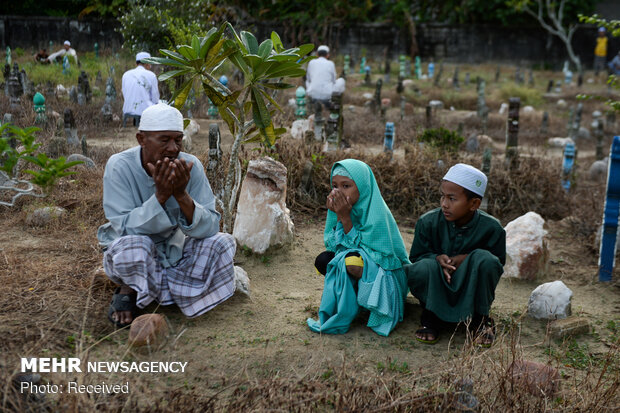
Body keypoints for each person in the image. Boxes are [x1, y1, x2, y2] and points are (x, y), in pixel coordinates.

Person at [98, 103, 237, 327]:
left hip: (175, 247)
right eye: (164, 140)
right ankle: (137, 287)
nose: (173, 148)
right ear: (141, 139)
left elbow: (211, 226)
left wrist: (181, 195)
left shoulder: (192, 166)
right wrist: (160, 197)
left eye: (178, 140)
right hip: (136, 248)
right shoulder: (119, 166)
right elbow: (122, 228)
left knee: (223, 243)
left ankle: (145, 289)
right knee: (134, 248)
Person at [405, 164, 505, 347]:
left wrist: (468, 259)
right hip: (437, 282)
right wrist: (436, 260)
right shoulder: (427, 222)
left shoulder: (492, 229)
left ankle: (480, 320)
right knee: (422, 267)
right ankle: (430, 316)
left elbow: (496, 265)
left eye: (452, 198)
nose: (444, 204)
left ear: (474, 204)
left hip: (470, 286)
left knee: (486, 260)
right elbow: (416, 259)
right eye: (442, 196)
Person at [307, 159, 410, 336]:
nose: (338, 192)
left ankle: (369, 306)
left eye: (346, 186)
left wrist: (345, 218)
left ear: (363, 187)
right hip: (361, 262)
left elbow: (375, 255)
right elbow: (334, 246)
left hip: (386, 274)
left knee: (349, 262)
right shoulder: (341, 208)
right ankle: (353, 304)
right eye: (335, 186)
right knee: (325, 260)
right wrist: (339, 216)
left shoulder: (377, 214)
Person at [122, 52, 160, 126]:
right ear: (147, 64)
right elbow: (155, 97)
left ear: (137, 63)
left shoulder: (126, 74)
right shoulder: (151, 75)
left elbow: (124, 93)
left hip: (127, 109)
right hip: (145, 110)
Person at [305, 45, 337, 122]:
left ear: (317, 54)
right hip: (327, 95)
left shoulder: (311, 62)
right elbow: (334, 80)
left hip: (313, 95)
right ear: (328, 55)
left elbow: (308, 79)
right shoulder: (331, 64)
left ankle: (310, 97)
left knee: (308, 82)